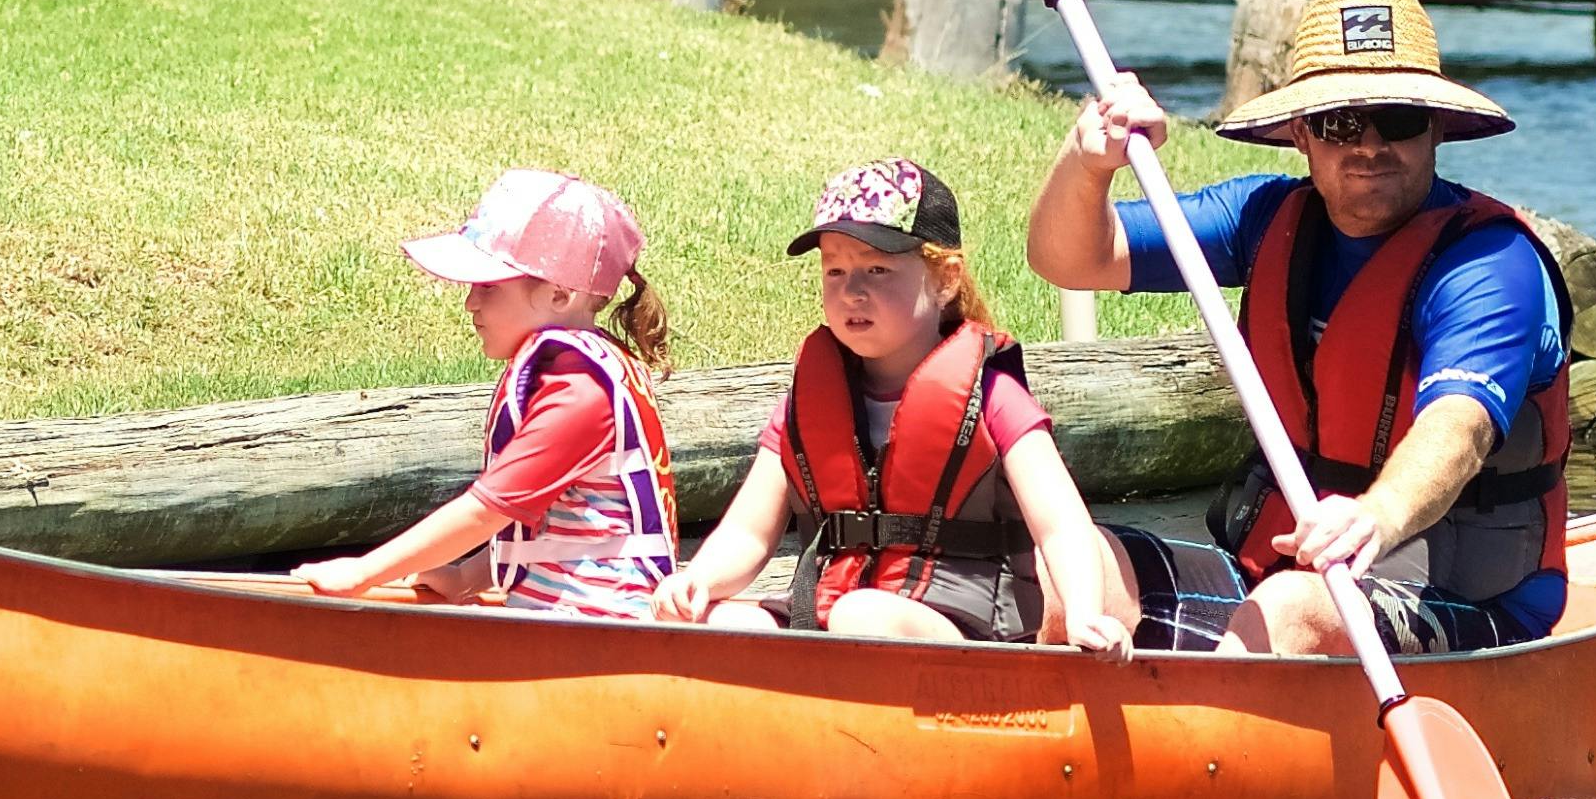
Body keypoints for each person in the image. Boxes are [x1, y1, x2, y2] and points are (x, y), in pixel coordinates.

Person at [1020, 0, 1570, 659]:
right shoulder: (1261, 219)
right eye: (1340, 124)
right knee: (1075, 574)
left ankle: (1208, 754)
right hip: (1286, 571)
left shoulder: (1489, 264)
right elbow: (1071, 259)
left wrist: (1376, 515)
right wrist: (1088, 162)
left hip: (1467, 600)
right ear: (1303, 137)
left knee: (1288, 612)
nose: (1370, 146)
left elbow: (1458, 429)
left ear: (1437, 133)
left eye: (1397, 121)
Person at [659, 158, 1133, 653]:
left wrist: (1083, 615)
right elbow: (748, 532)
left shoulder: (993, 397)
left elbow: (1060, 525)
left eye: (878, 269)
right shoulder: (805, 405)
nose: (852, 291)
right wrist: (701, 582)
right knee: (717, 623)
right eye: (835, 271)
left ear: (945, 279)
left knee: (862, 614)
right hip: (831, 610)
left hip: (963, 627)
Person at [292, 169, 684, 618]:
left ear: (560, 295)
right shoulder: (574, 373)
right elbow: (545, 527)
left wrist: (365, 572)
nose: (470, 303)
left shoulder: (582, 392)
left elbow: (489, 510)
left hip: (596, 631)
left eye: (489, 288)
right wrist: (466, 579)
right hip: (557, 623)